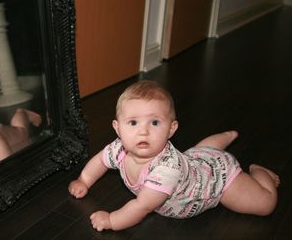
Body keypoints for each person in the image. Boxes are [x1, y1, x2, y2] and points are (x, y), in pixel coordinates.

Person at [68, 80, 280, 231]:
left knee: (265, 204)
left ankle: (260, 173)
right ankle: (225, 137)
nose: (143, 131)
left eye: (155, 122)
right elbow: (100, 161)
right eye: (133, 122)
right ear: (117, 127)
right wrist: (84, 180)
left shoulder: (166, 169)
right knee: (199, 154)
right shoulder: (119, 148)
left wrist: (112, 220)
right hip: (196, 161)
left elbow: (141, 206)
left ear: (171, 129)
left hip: (216, 181)